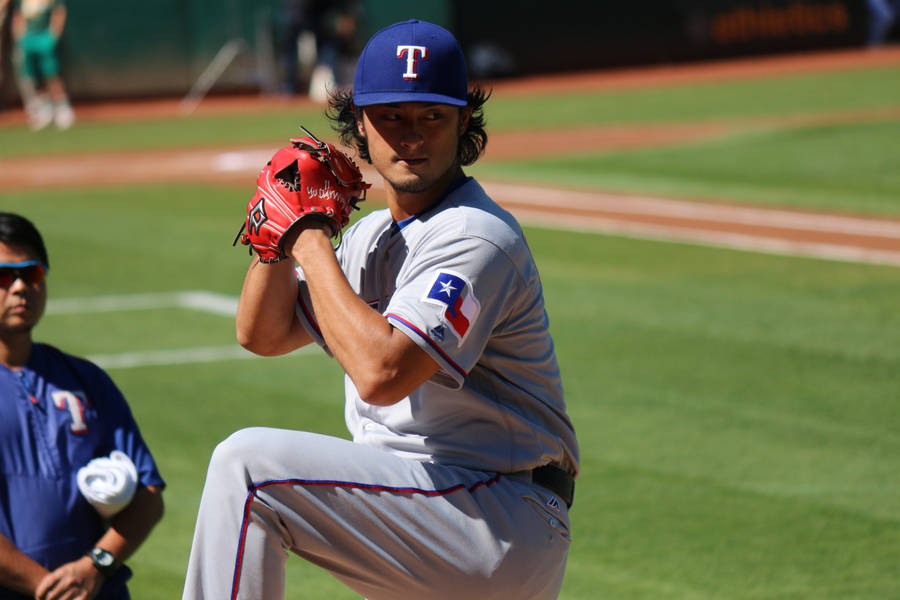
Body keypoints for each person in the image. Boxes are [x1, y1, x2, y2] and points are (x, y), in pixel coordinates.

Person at [183, 18, 578, 600]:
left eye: (431, 117)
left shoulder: (475, 235)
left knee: (248, 469)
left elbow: (382, 373)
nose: (411, 136)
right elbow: (262, 333)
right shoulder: (370, 238)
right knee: (254, 474)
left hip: (494, 513)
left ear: (463, 122)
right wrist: (277, 237)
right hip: (422, 510)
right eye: (392, 116)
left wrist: (310, 239)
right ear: (360, 125)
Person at [0, 212, 165, 599]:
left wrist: (95, 567)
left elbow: (148, 494)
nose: (22, 287)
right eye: (5, 276)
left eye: (33, 273)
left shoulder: (85, 380)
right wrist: (50, 589)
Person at [10, 0, 74, 130]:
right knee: (33, 77)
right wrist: (20, 37)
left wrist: (53, 35)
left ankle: (62, 109)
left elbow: (59, 13)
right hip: (28, 40)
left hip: (44, 38)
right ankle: (44, 110)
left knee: (51, 74)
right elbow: (17, 17)